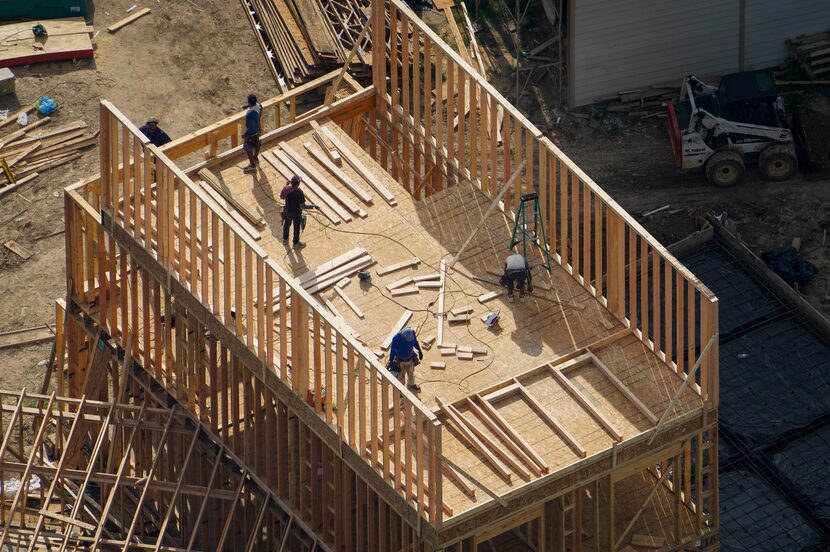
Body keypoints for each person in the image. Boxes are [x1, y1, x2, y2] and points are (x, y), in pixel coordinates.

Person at [280, 175, 315, 248]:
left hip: (287, 211)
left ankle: (285, 239)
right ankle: (295, 243)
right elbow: (303, 206)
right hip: (296, 213)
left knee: (286, 225)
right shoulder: (299, 193)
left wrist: (286, 185)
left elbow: (281, 197)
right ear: (298, 184)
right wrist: (313, 206)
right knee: (296, 228)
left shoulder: (286, 189)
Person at [242, 94, 263, 173]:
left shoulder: (250, 114)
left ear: (249, 102)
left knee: (248, 148)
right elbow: (257, 110)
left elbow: (249, 126)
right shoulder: (259, 106)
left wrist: (245, 134)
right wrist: (248, 106)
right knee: (257, 143)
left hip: (251, 132)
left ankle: (252, 165)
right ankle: (255, 158)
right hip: (257, 129)